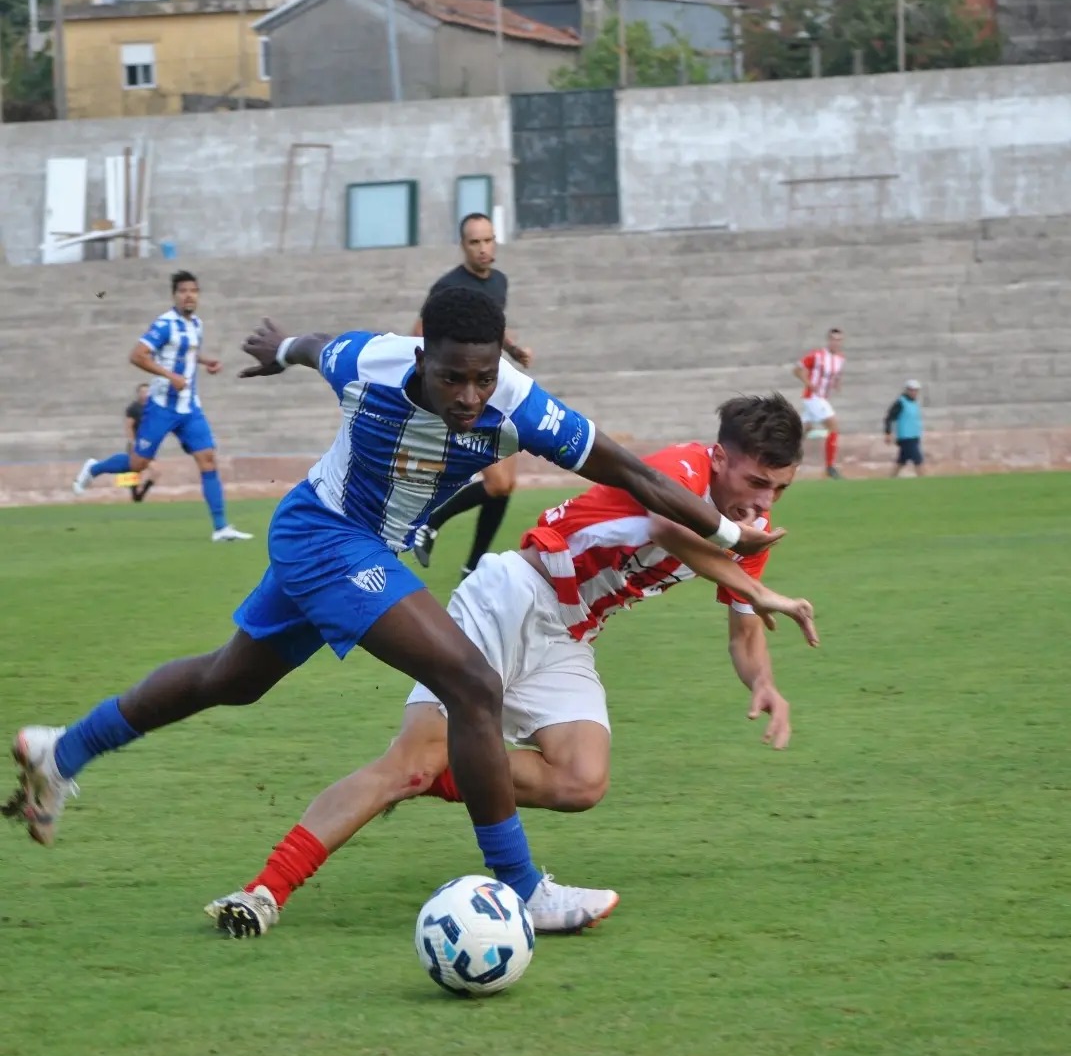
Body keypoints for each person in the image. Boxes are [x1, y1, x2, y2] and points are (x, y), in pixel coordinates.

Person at [6, 287, 781, 937]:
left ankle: (62, 749)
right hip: (322, 532)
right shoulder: (370, 362)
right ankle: (519, 887)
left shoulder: (521, 406)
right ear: (421, 359)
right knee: (471, 683)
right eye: (453, 378)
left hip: (359, 551)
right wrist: (279, 350)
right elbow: (317, 347)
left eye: (484, 378)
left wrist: (730, 534)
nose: (471, 397)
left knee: (228, 678)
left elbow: (637, 475)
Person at [204, 394, 815, 939]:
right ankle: (263, 892)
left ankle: (452, 769)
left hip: (568, 634)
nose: (764, 501)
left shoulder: (747, 533)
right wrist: (746, 568)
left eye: (779, 489)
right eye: (757, 480)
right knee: (406, 766)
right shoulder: (685, 467)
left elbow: (744, 633)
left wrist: (764, 681)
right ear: (720, 456)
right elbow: (665, 522)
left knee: (582, 781)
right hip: (514, 595)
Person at [72, 270, 251, 542]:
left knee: (208, 459)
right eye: (183, 291)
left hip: (189, 407)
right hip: (161, 407)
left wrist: (206, 362)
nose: (188, 295)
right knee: (138, 464)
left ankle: (221, 528)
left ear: (198, 295)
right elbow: (137, 355)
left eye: (193, 290)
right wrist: (170, 376)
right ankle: (94, 469)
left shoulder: (196, 324)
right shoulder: (165, 323)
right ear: (174, 295)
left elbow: (186, 352)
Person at [411, 213, 532, 577]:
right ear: (463, 246)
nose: (483, 248)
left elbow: (493, 324)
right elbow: (418, 335)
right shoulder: (449, 287)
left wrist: (511, 348)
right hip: (465, 395)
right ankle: (431, 521)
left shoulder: (499, 281)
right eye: (474, 242)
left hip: (494, 388)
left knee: (505, 486)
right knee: (496, 483)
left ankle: (473, 565)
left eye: (488, 240)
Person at [793, 327, 845, 479]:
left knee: (802, 431)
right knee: (834, 426)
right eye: (833, 339)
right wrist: (808, 382)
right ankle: (830, 467)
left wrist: (836, 384)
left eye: (839, 340)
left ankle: (784, 458)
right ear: (828, 340)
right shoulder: (818, 356)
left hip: (822, 398)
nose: (836, 343)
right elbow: (797, 369)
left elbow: (837, 375)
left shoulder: (840, 359)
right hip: (813, 397)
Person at [123, 383, 158, 502]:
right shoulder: (133, 408)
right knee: (136, 472)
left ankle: (140, 494)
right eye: (143, 392)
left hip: (147, 444)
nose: (145, 394)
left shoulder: (152, 406)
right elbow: (129, 426)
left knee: (156, 471)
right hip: (136, 444)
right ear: (138, 393)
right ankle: (135, 496)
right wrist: (132, 442)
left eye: (147, 392)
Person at [884, 379, 925, 477]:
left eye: (916, 390)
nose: (914, 392)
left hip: (914, 436)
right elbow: (889, 418)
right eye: (912, 390)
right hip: (906, 437)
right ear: (907, 390)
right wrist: (888, 433)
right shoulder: (900, 403)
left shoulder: (914, 403)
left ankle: (890, 480)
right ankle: (924, 479)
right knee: (918, 460)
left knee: (901, 461)